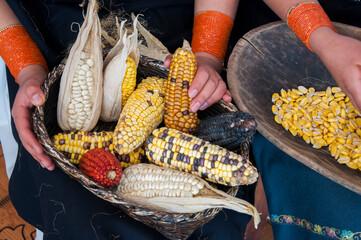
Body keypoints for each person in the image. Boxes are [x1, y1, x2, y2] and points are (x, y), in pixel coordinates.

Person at [1, 0, 257, 239]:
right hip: (52, 42)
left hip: (175, 32)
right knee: (75, 209)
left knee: (214, 223)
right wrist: (26, 66)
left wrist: (207, 56)